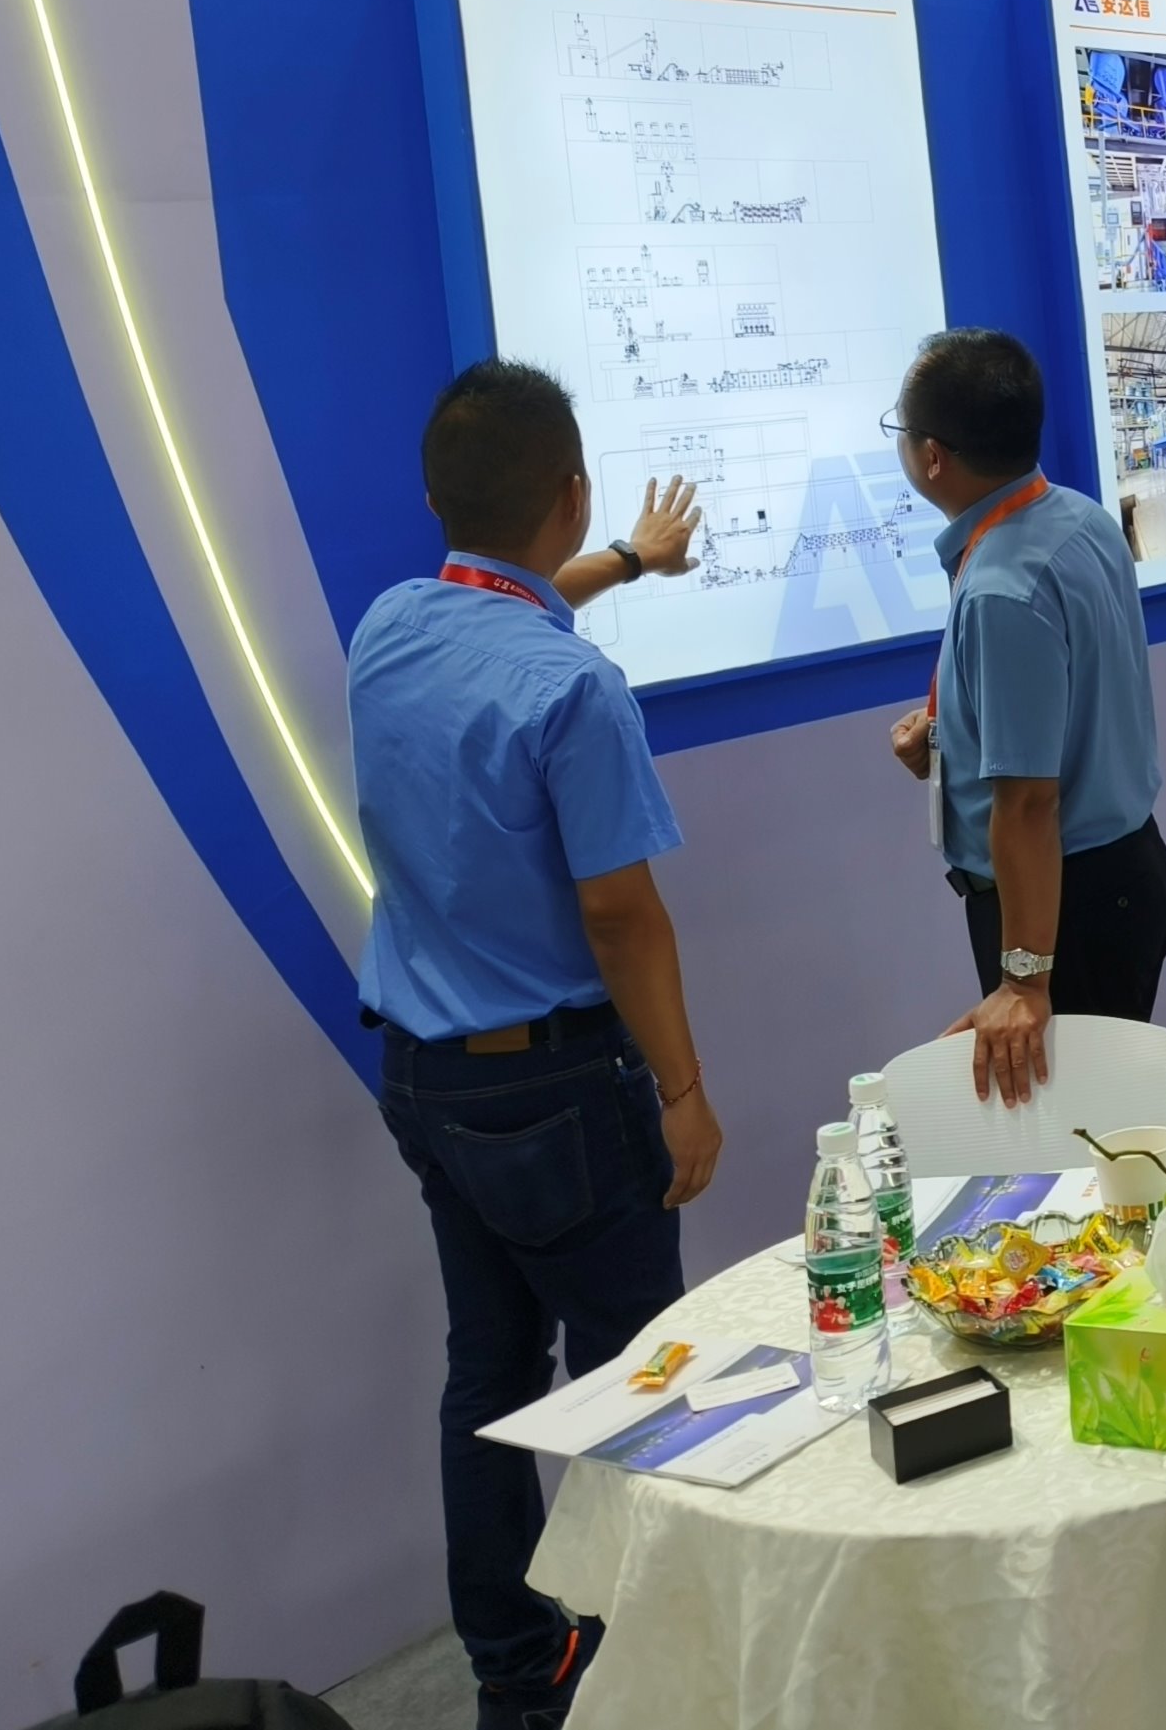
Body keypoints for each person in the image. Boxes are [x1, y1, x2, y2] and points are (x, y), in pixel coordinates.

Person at [351, 362, 719, 1730]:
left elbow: (509, 596)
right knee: (640, 1388)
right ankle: (657, 1672)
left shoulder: (390, 625)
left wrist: (625, 557)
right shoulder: (577, 691)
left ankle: (519, 1673)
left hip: (428, 1082)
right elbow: (622, 912)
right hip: (562, 1090)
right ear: (570, 489)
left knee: (490, 1378)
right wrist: (683, 1088)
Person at [884, 328, 1166, 1110]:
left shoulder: (1002, 589)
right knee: (1096, 1122)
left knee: (1080, 1135)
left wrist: (1024, 979)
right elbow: (1069, 701)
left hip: (1065, 909)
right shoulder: (1077, 518)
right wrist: (950, 734)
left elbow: (1027, 802)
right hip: (1113, 879)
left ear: (933, 456)